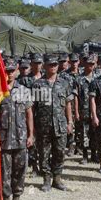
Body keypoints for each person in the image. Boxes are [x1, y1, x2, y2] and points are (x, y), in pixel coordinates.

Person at [0, 57, 34, 200]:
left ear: (17, 70)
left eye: (12, 71)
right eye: (6, 71)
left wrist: (31, 134)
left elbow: (29, 113)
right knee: (5, 173)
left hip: (20, 137)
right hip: (4, 139)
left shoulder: (24, 90)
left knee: (20, 171)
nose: (9, 74)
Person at [32, 53, 74, 192]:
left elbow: (68, 104)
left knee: (60, 152)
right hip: (43, 126)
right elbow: (33, 108)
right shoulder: (38, 85)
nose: (53, 67)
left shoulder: (64, 83)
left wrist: (70, 122)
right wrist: (31, 129)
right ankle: (46, 180)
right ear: (44, 66)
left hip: (60, 125)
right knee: (44, 154)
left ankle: (57, 179)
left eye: (55, 64)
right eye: (50, 64)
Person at [76, 54, 97, 164]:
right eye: (89, 64)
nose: (90, 66)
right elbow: (76, 96)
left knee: (95, 134)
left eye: (92, 64)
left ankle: (94, 154)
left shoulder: (97, 78)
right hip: (83, 110)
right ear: (85, 64)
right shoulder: (79, 79)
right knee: (84, 134)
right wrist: (77, 112)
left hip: (95, 112)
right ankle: (85, 156)